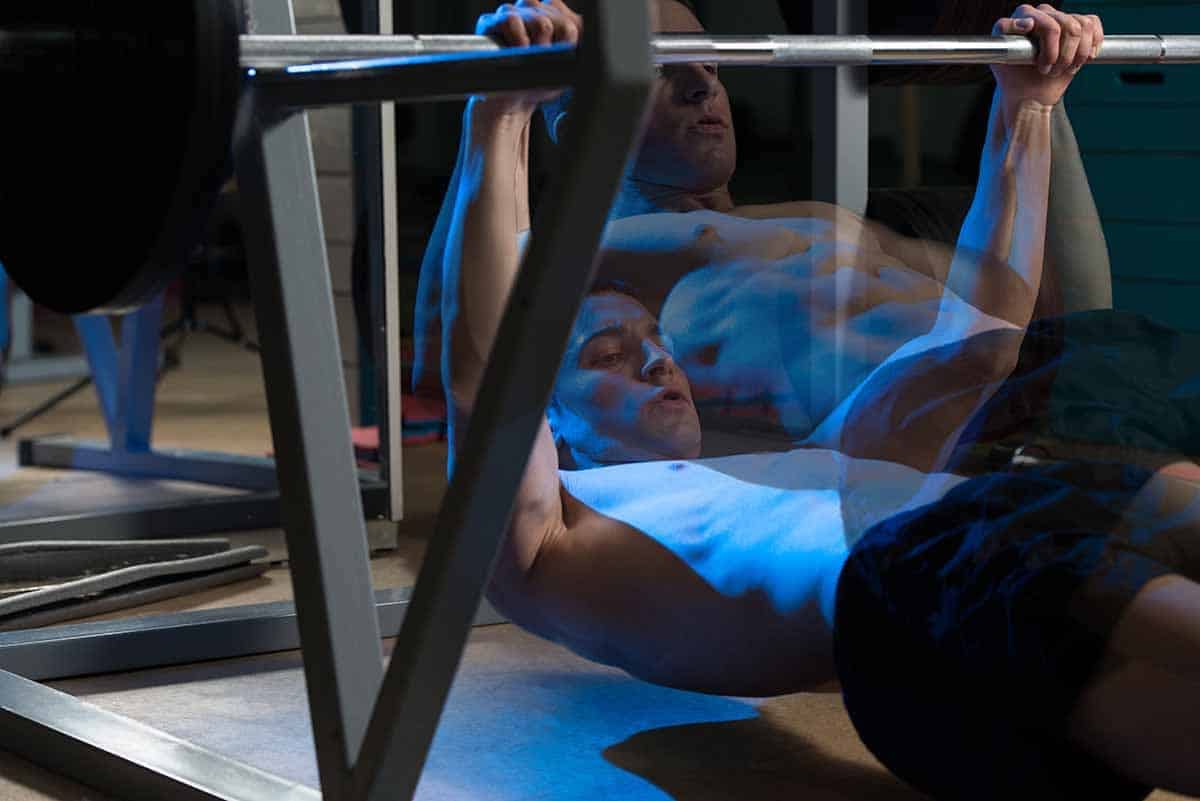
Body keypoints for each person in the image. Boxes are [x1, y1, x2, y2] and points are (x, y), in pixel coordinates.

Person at [440, 3, 1200, 800]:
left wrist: (1027, 104)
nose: (656, 359)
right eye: (606, 353)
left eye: (654, 338)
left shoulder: (823, 458)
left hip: (1020, 508)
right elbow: (487, 370)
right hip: (932, 584)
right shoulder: (539, 545)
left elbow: (982, 338)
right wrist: (501, 112)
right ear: (548, 417)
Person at [414, 0, 1114, 444]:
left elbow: (1057, 310)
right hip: (972, 442)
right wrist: (500, 104)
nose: (703, 84)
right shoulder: (605, 270)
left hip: (1067, 395)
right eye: (662, 70)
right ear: (578, 125)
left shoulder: (815, 222)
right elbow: (448, 343)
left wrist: (1040, 83)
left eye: (712, 65)